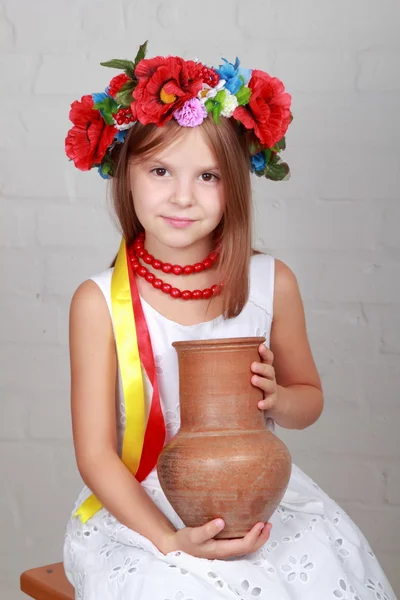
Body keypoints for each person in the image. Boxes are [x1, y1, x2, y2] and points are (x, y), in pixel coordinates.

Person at [63, 42, 396, 599]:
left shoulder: (272, 283)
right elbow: (96, 454)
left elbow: (308, 398)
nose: (182, 196)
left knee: (318, 570)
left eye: (209, 177)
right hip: (142, 508)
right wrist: (170, 540)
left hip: (255, 496)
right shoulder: (97, 302)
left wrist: (277, 399)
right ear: (126, 176)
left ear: (235, 186)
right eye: (161, 170)